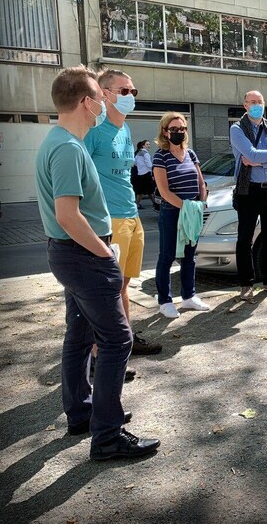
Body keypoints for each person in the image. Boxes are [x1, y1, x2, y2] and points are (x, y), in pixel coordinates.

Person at [35, 65, 159, 460]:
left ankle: (82, 414)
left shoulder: (59, 140)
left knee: (80, 336)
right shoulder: (69, 148)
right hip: (85, 256)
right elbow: (69, 215)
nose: (105, 104)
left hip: (73, 256)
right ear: (87, 101)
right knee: (117, 339)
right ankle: (106, 436)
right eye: (99, 97)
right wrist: (105, 253)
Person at [85, 69, 161, 356]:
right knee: (106, 289)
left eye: (133, 91)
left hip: (131, 215)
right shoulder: (93, 129)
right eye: (125, 91)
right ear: (105, 93)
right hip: (109, 219)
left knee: (123, 285)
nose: (131, 96)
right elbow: (80, 173)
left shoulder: (125, 130)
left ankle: (124, 341)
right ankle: (99, 351)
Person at [230, 90, 267, 300]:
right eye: (252, 102)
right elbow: (251, 154)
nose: (256, 105)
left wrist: (259, 160)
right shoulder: (237, 129)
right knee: (244, 238)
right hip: (248, 190)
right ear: (245, 105)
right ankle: (246, 284)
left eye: (260, 102)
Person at [152, 112, 210, 319]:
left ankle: (189, 297)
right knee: (166, 256)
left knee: (189, 257)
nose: (178, 132)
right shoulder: (160, 156)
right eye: (173, 129)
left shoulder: (191, 153)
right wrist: (186, 207)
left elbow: (201, 182)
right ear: (165, 132)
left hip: (192, 211)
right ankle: (165, 301)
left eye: (182, 129)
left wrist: (201, 203)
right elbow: (164, 191)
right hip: (172, 212)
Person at [134, 140, 156, 209]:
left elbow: (135, 163)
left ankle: (154, 203)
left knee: (142, 191)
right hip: (147, 173)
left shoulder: (138, 153)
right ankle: (155, 204)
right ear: (143, 145)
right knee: (149, 190)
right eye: (147, 144)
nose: (149, 145)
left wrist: (140, 167)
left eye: (149, 144)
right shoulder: (146, 154)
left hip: (140, 173)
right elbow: (149, 164)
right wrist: (153, 170)